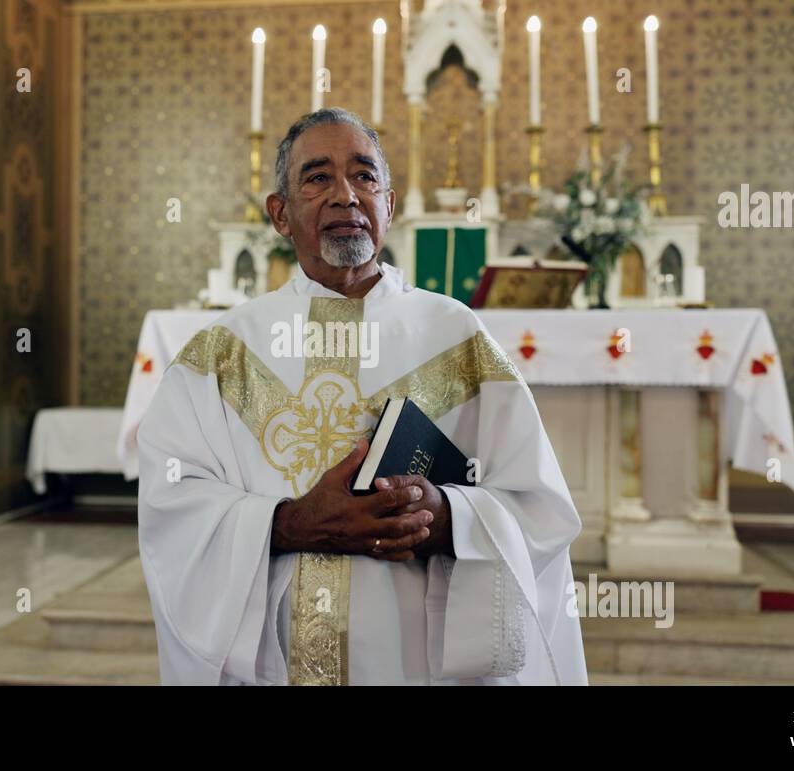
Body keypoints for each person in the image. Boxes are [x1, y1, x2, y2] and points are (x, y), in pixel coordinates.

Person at [136, 107, 586, 685]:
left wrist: (446, 515)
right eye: (318, 177)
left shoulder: (457, 335)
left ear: (389, 207)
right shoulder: (222, 354)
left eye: (365, 176)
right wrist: (290, 523)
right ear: (280, 213)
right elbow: (171, 506)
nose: (346, 196)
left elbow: (539, 509)